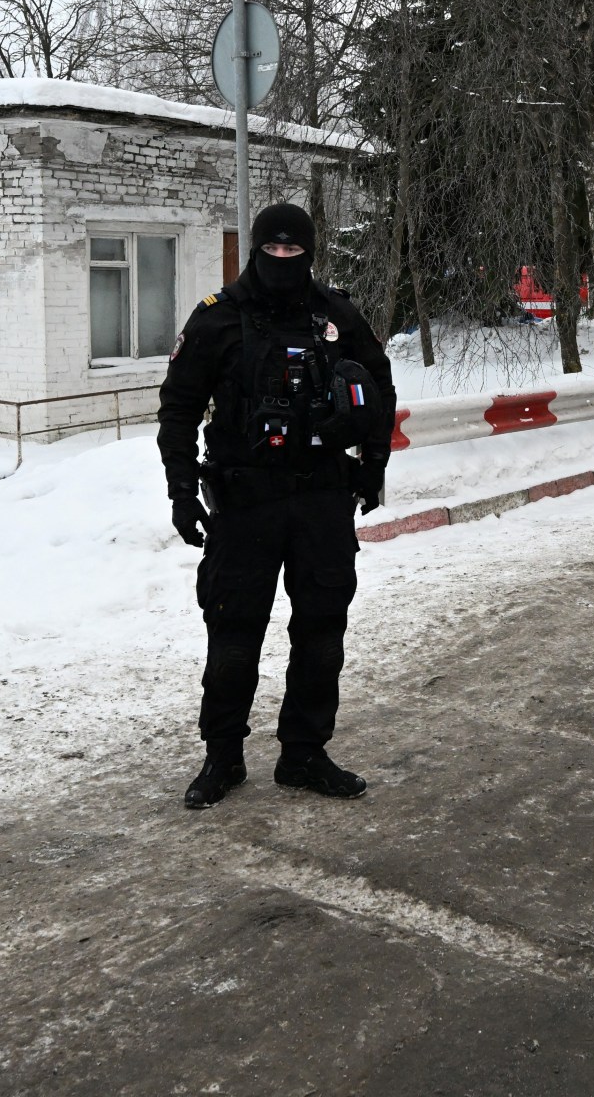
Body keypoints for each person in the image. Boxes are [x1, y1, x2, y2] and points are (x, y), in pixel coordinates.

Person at [157, 203, 397, 810]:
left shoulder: (335, 314)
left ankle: (304, 754)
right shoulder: (219, 317)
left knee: (322, 633)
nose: (283, 260)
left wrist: (373, 465)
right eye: (273, 249)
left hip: (321, 500)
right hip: (245, 504)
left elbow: (380, 387)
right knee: (234, 634)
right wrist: (181, 491)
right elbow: (179, 409)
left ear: (310, 253)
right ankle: (223, 756)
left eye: (295, 251)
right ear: (256, 250)